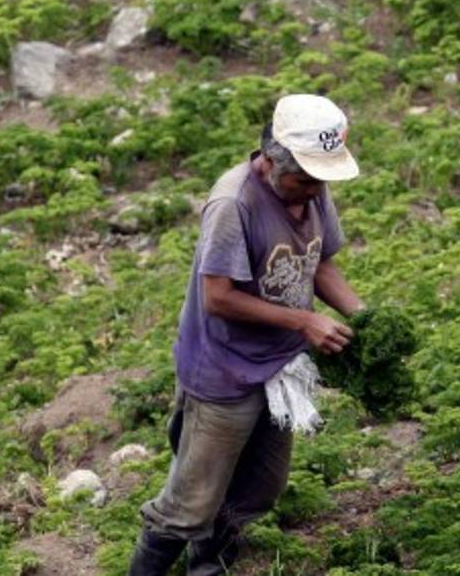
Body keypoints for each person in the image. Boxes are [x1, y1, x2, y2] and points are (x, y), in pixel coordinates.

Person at [128, 94, 365, 575]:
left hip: (278, 366)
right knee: (191, 500)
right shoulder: (233, 203)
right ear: (273, 160)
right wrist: (304, 321)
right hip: (224, 371)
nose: (316, 191)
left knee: (261, 486)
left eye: (322, 180)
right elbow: (218, 297)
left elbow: (319, 264)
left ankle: (210, 565)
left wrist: (364, 316)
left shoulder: (311, 189)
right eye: (306, 180)